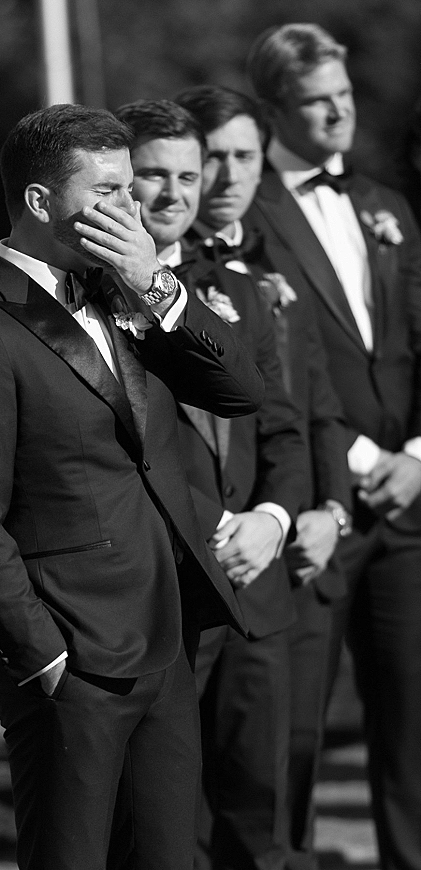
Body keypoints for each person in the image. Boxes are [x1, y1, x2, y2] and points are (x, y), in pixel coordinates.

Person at [0, 103, 265, 870]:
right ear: (41, 202)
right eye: (109, 191)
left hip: (165, 644)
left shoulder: (122, 291)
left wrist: (153, 279)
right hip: (71, 663)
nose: (132, 208)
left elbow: (243, 389)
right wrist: (45, 658)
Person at [115, 97, 313, 870]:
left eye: (188, 177)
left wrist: (272, 517)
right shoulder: (87, 300)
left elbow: (285, 428)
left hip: (256, 595)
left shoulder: (241, 289)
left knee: (260, 828)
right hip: (164, 604)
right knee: (165, 831)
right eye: (152, 176)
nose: (175, 194)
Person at [246, 23, 421, 870]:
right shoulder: (250, 216)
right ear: (277, 107)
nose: (340, 113)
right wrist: (356, 465)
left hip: (411, 500)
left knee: (416, 731)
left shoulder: (388, 206)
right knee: (296, 733)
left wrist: (418, 456)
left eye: (346, 96)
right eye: (319, 100)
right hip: (322, 501)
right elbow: (273, 371)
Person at [173, 83, 352, 870]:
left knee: (267, 804)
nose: (230, 174)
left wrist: (303, 513)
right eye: (214, 157)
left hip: (269, 568)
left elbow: (303, 411)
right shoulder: (141, 277)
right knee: (174, 818)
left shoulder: (269, 273)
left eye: (246, 156)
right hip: (177, 584)